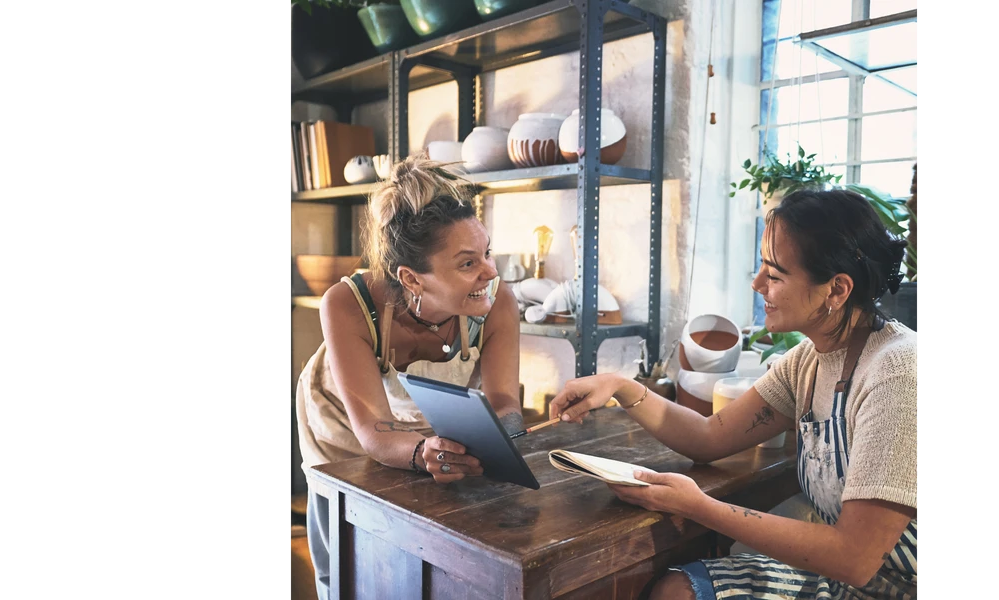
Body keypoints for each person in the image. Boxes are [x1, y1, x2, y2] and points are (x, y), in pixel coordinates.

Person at [549, 188, 918, 599]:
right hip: (842, 583)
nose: (757, 283)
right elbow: (709, 438)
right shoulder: (808, 362)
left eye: (775, 275)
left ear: (836, 290)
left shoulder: (899, 372)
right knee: (678, 591)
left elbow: (855, 558)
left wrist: (697, 506)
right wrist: (620, 387)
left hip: (896, 587)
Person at [295, 153, 523, 600]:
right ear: (411, 280)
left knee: (407, 550)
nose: (490, 272)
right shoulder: (347, 304)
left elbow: (504, 401)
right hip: (341, 423)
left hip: (421, 422)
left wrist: (504, 433)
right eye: (467, 263)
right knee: (341, 554)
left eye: (487, 254)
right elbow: (374, 430)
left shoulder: (497, 302)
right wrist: (424, 453)